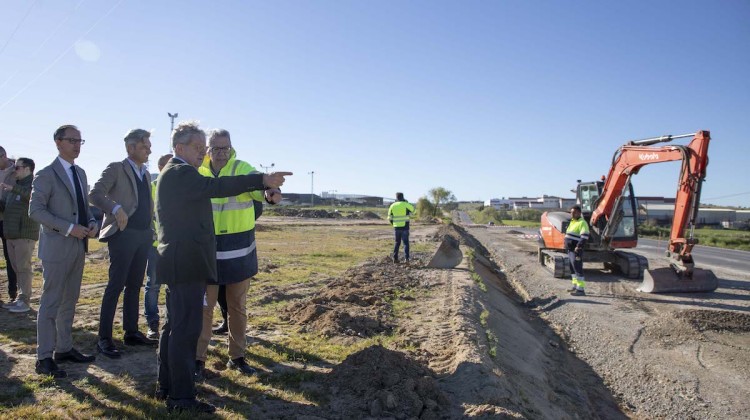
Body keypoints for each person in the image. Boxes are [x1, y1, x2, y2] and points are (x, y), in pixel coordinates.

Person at [154, 121, 290, 413]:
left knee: (174, 329)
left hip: (183, 261)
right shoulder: (181, 173)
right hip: (187, 263)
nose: (203, 153)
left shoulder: (178, 172)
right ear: (179, 148)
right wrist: (262, 179)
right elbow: (218, 186)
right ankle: (181, 398)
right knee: (185, 331)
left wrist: (265, 187)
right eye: (198, 147)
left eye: (206, 147)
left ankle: (166, 387)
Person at [195, 129, 282, 378]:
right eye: (216, 148)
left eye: (225, 148)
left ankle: (237, 357)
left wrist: (271, 195)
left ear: (231, 147)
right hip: (206, 252)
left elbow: (262, 190)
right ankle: (198, 359)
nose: (221, 153)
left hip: (238, 251)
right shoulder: (196, 169)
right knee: (204, 308)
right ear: (208, 148)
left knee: (237, 308)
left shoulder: (243, 168)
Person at [29, 125, 98, 378]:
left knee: (70, 300)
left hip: (79, 247)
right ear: (58, 142)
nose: (77, 145)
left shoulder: (80, 173)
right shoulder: (46, 175)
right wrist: (69, 228)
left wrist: (91, 222)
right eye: (72, 140)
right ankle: (44, 357)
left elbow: (84, 207)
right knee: (50, 302)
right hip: (57, 247)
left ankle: (64, 348)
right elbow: (35, 211)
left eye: (80, 140)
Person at [89, 129, 157, 358]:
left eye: (149, 145)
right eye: (145, 146)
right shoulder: (116, 168)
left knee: (135, 284)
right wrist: (116, 209)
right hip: (123, 234)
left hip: (143, 235)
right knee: (115, 285)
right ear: (131, 148)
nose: (149, 149)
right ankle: (104, 338)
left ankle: (131, 331)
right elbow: (95, 194)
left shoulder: (146, 173)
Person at [0, 158, 39, 313]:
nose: (14, 170)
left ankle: (24, 301)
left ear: (28, 169)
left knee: (24, 268)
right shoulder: (15, 186)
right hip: (11, 234)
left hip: (24, 234)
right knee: (17, 268)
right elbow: (7, 208)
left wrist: (13, 189)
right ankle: (19, 299)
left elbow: (33, 198)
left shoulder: (34, 185)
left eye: (17, 167)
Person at [144, 153, 172, 340]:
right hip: (156, 246)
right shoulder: (152, 188)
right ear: (160, 167)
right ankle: (152, 323)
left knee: (174, 286)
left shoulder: (181, 188)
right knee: (153, 285)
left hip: (176, 246)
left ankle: (172, 322)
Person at [0, 146, 18, 304]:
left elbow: (25, 191)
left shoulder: (17, 171)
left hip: (9, 219)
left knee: (10, 257)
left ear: (4, 156)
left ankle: (13, 291)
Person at [566, 205, 590, 296]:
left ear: (579, 213)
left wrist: (578, 247)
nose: (572, 214)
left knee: (578, 268)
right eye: (571, 212)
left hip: (576, 250)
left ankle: (580, 290)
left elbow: (584, 236)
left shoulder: (582, 222)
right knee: (572, 269)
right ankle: (575, 286)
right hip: (570, 250)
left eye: (574, 213)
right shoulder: (572, 222)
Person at [387, 192, 415, 263]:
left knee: (397, 243)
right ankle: (407, 259)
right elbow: (414, 211)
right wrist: (407, 204)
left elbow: (389, 218)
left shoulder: (392, 205)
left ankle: (395, 258)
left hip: (396, 228)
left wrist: (394, 224)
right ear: (403, 197)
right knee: (405, 243)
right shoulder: (405, 204)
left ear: (396, 198)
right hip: (405, 227)